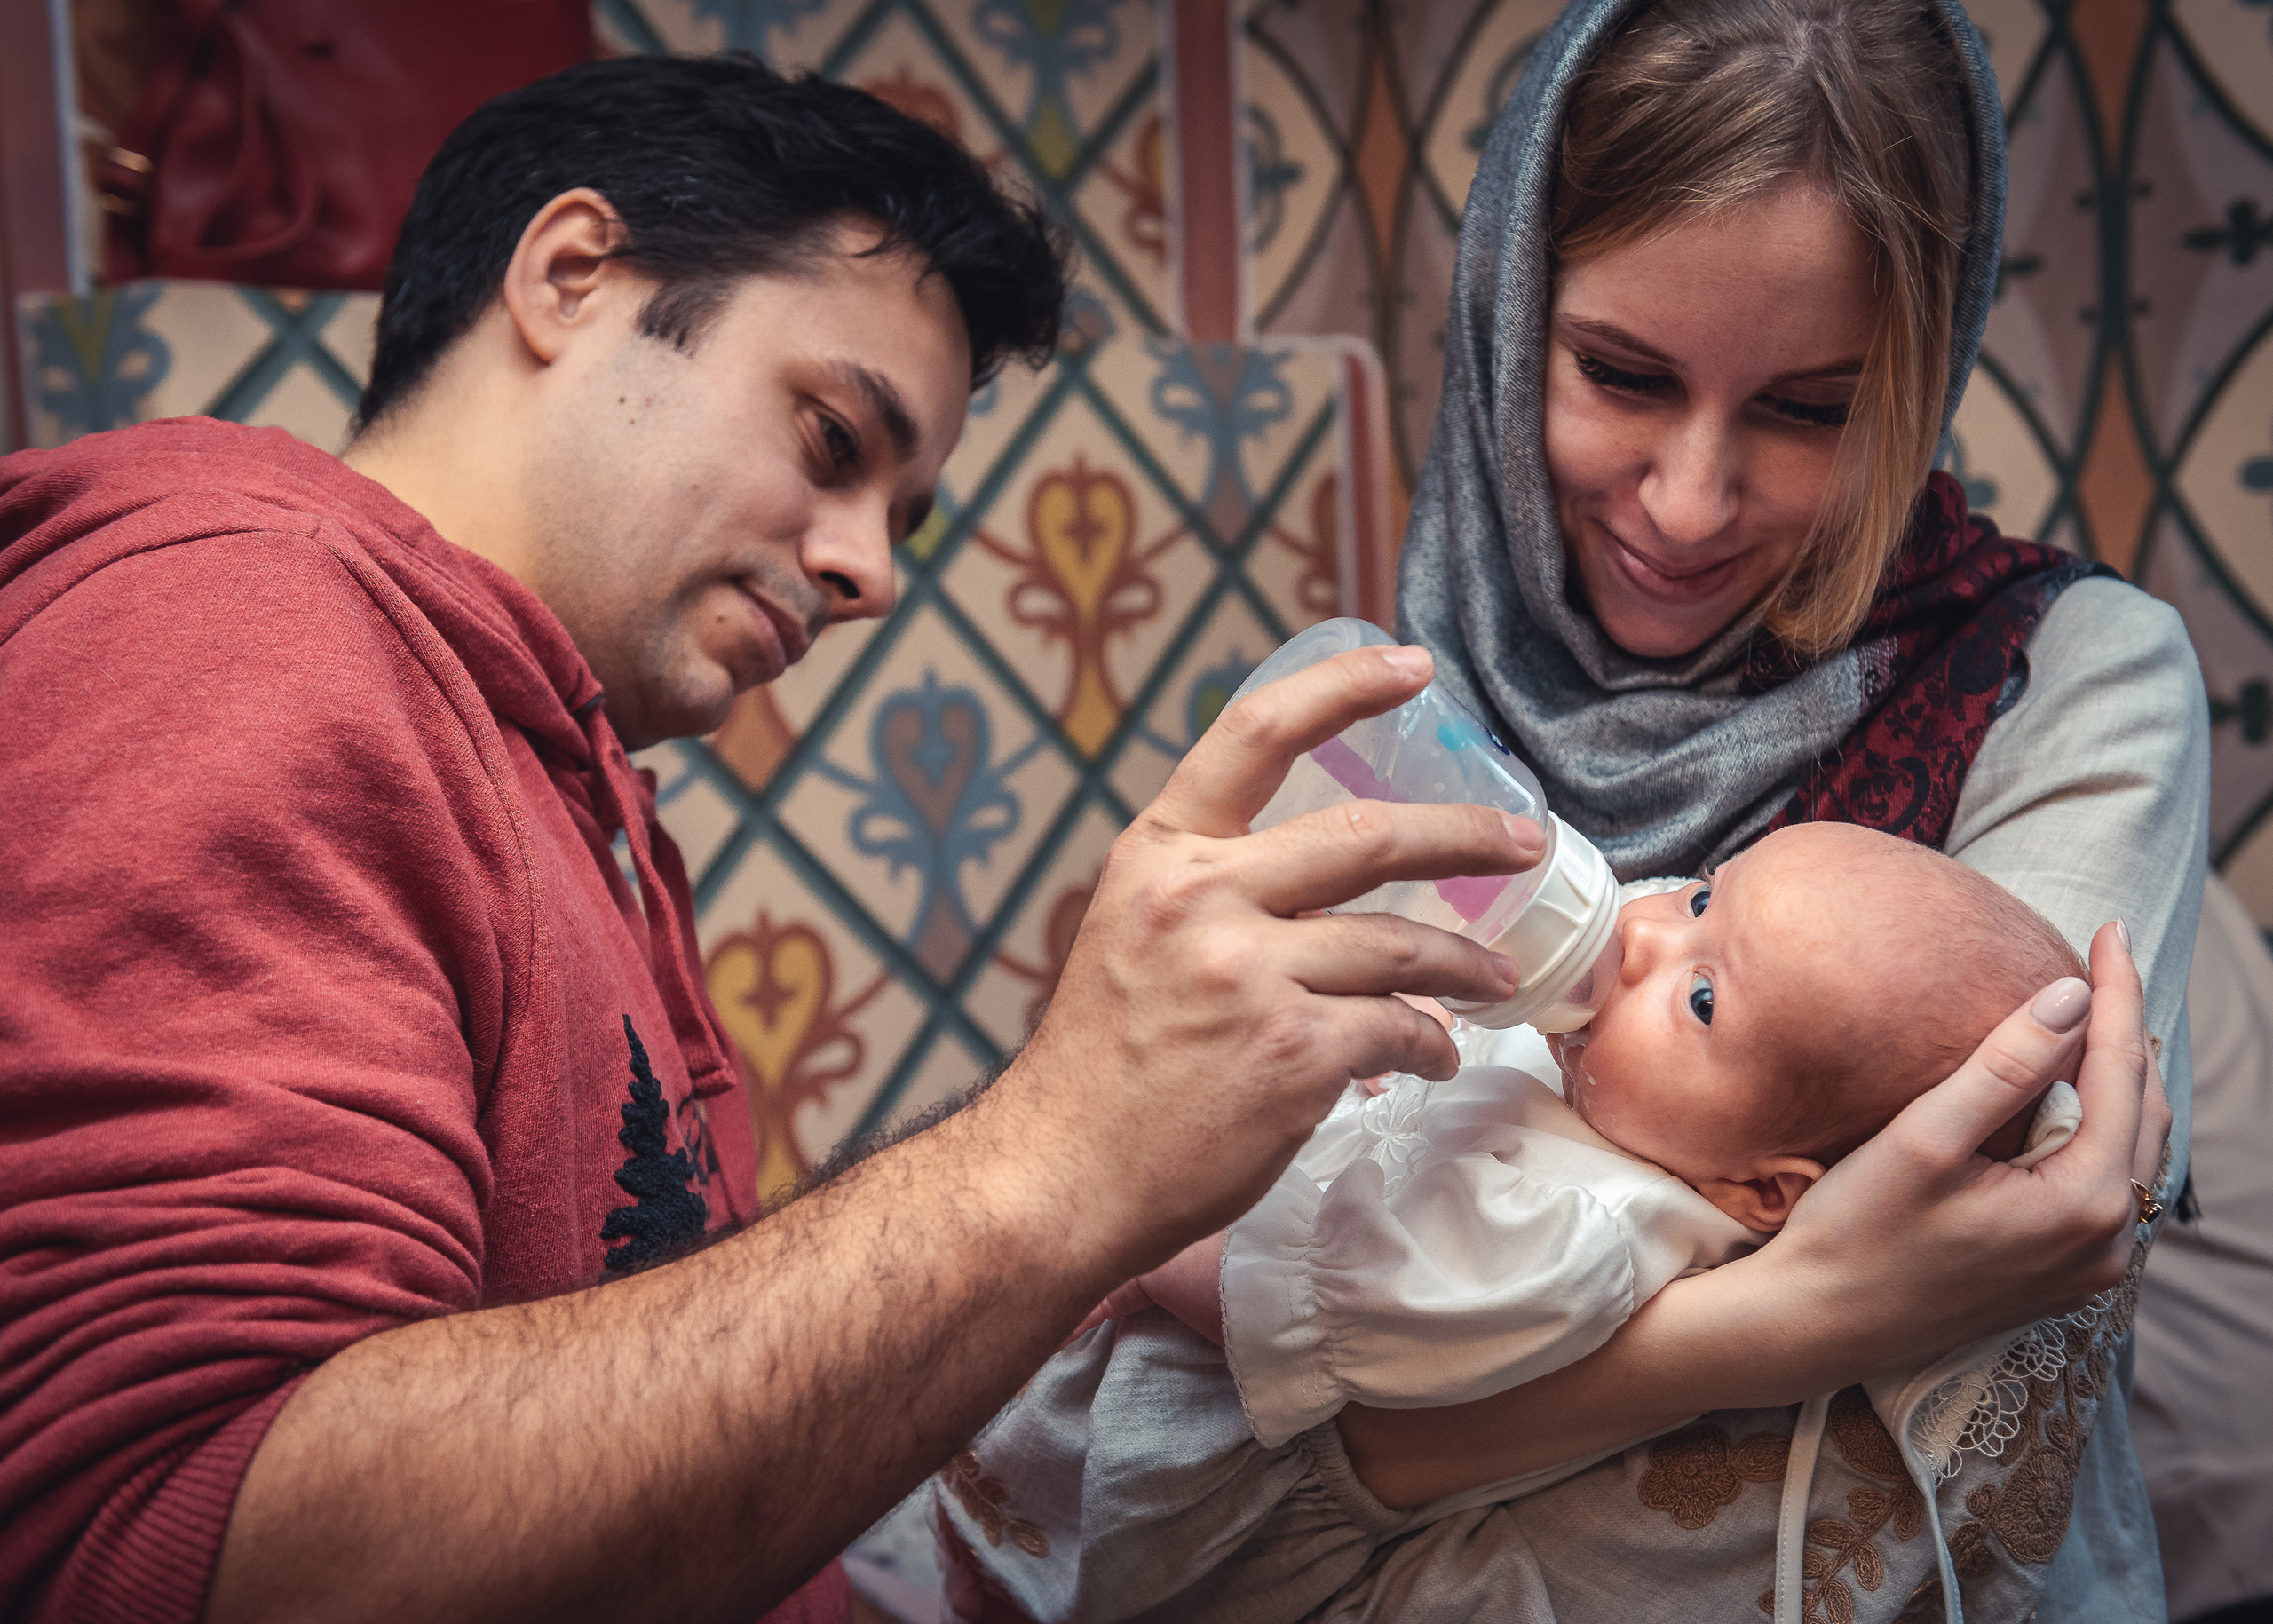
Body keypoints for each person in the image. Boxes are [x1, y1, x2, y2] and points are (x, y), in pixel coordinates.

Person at [0, 38, 2166, 1624]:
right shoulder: (244, 621)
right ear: (570, 277)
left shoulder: (562, 790)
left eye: (1800, 410)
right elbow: (177, 1548)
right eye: (831, 438)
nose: (865, 570)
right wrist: (1068, 1156)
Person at [925, 0, 2206, 1615]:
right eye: (1621, 373)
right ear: (1509, 320)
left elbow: (1932, 1386)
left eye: (1810, 407)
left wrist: (1357, 1445)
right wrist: (1786, 1323)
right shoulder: (1403, 729)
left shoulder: (2069, 681)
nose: (1687, 499)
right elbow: (1159, 1414)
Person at [938, 827, 2100, 1622]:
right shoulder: (1624, 1098)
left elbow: (1313, 1294)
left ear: (1766, 1192)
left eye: (1702, 997)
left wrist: (1140, 1244)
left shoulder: (1581, 1242)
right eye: (1702, 897)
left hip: (1164, 1454)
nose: (1644, 935)